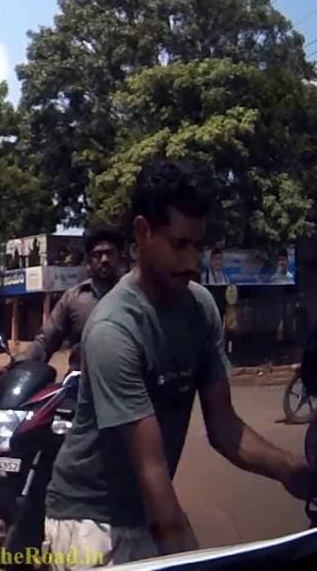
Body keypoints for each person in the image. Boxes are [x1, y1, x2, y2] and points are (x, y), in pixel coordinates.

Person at [43, 159, 312, 569]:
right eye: (179, 244)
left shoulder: (200, 307)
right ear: (142, 232)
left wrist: (293, 470)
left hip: (152, 509)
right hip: (90, 522)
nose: (192, 262)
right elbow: (151, 469)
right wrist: (180, 556)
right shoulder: (114, 330)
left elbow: (224, 429)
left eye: (199, 246)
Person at [0, 226, 125, 385]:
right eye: (97, 255)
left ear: (120, 256)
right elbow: (45, 342)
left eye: (109, 253)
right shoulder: (74, 298)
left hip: (128, 388)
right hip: (81, 388)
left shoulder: (137, 295)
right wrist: (10, 368)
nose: (104, 259)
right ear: (89, 261)